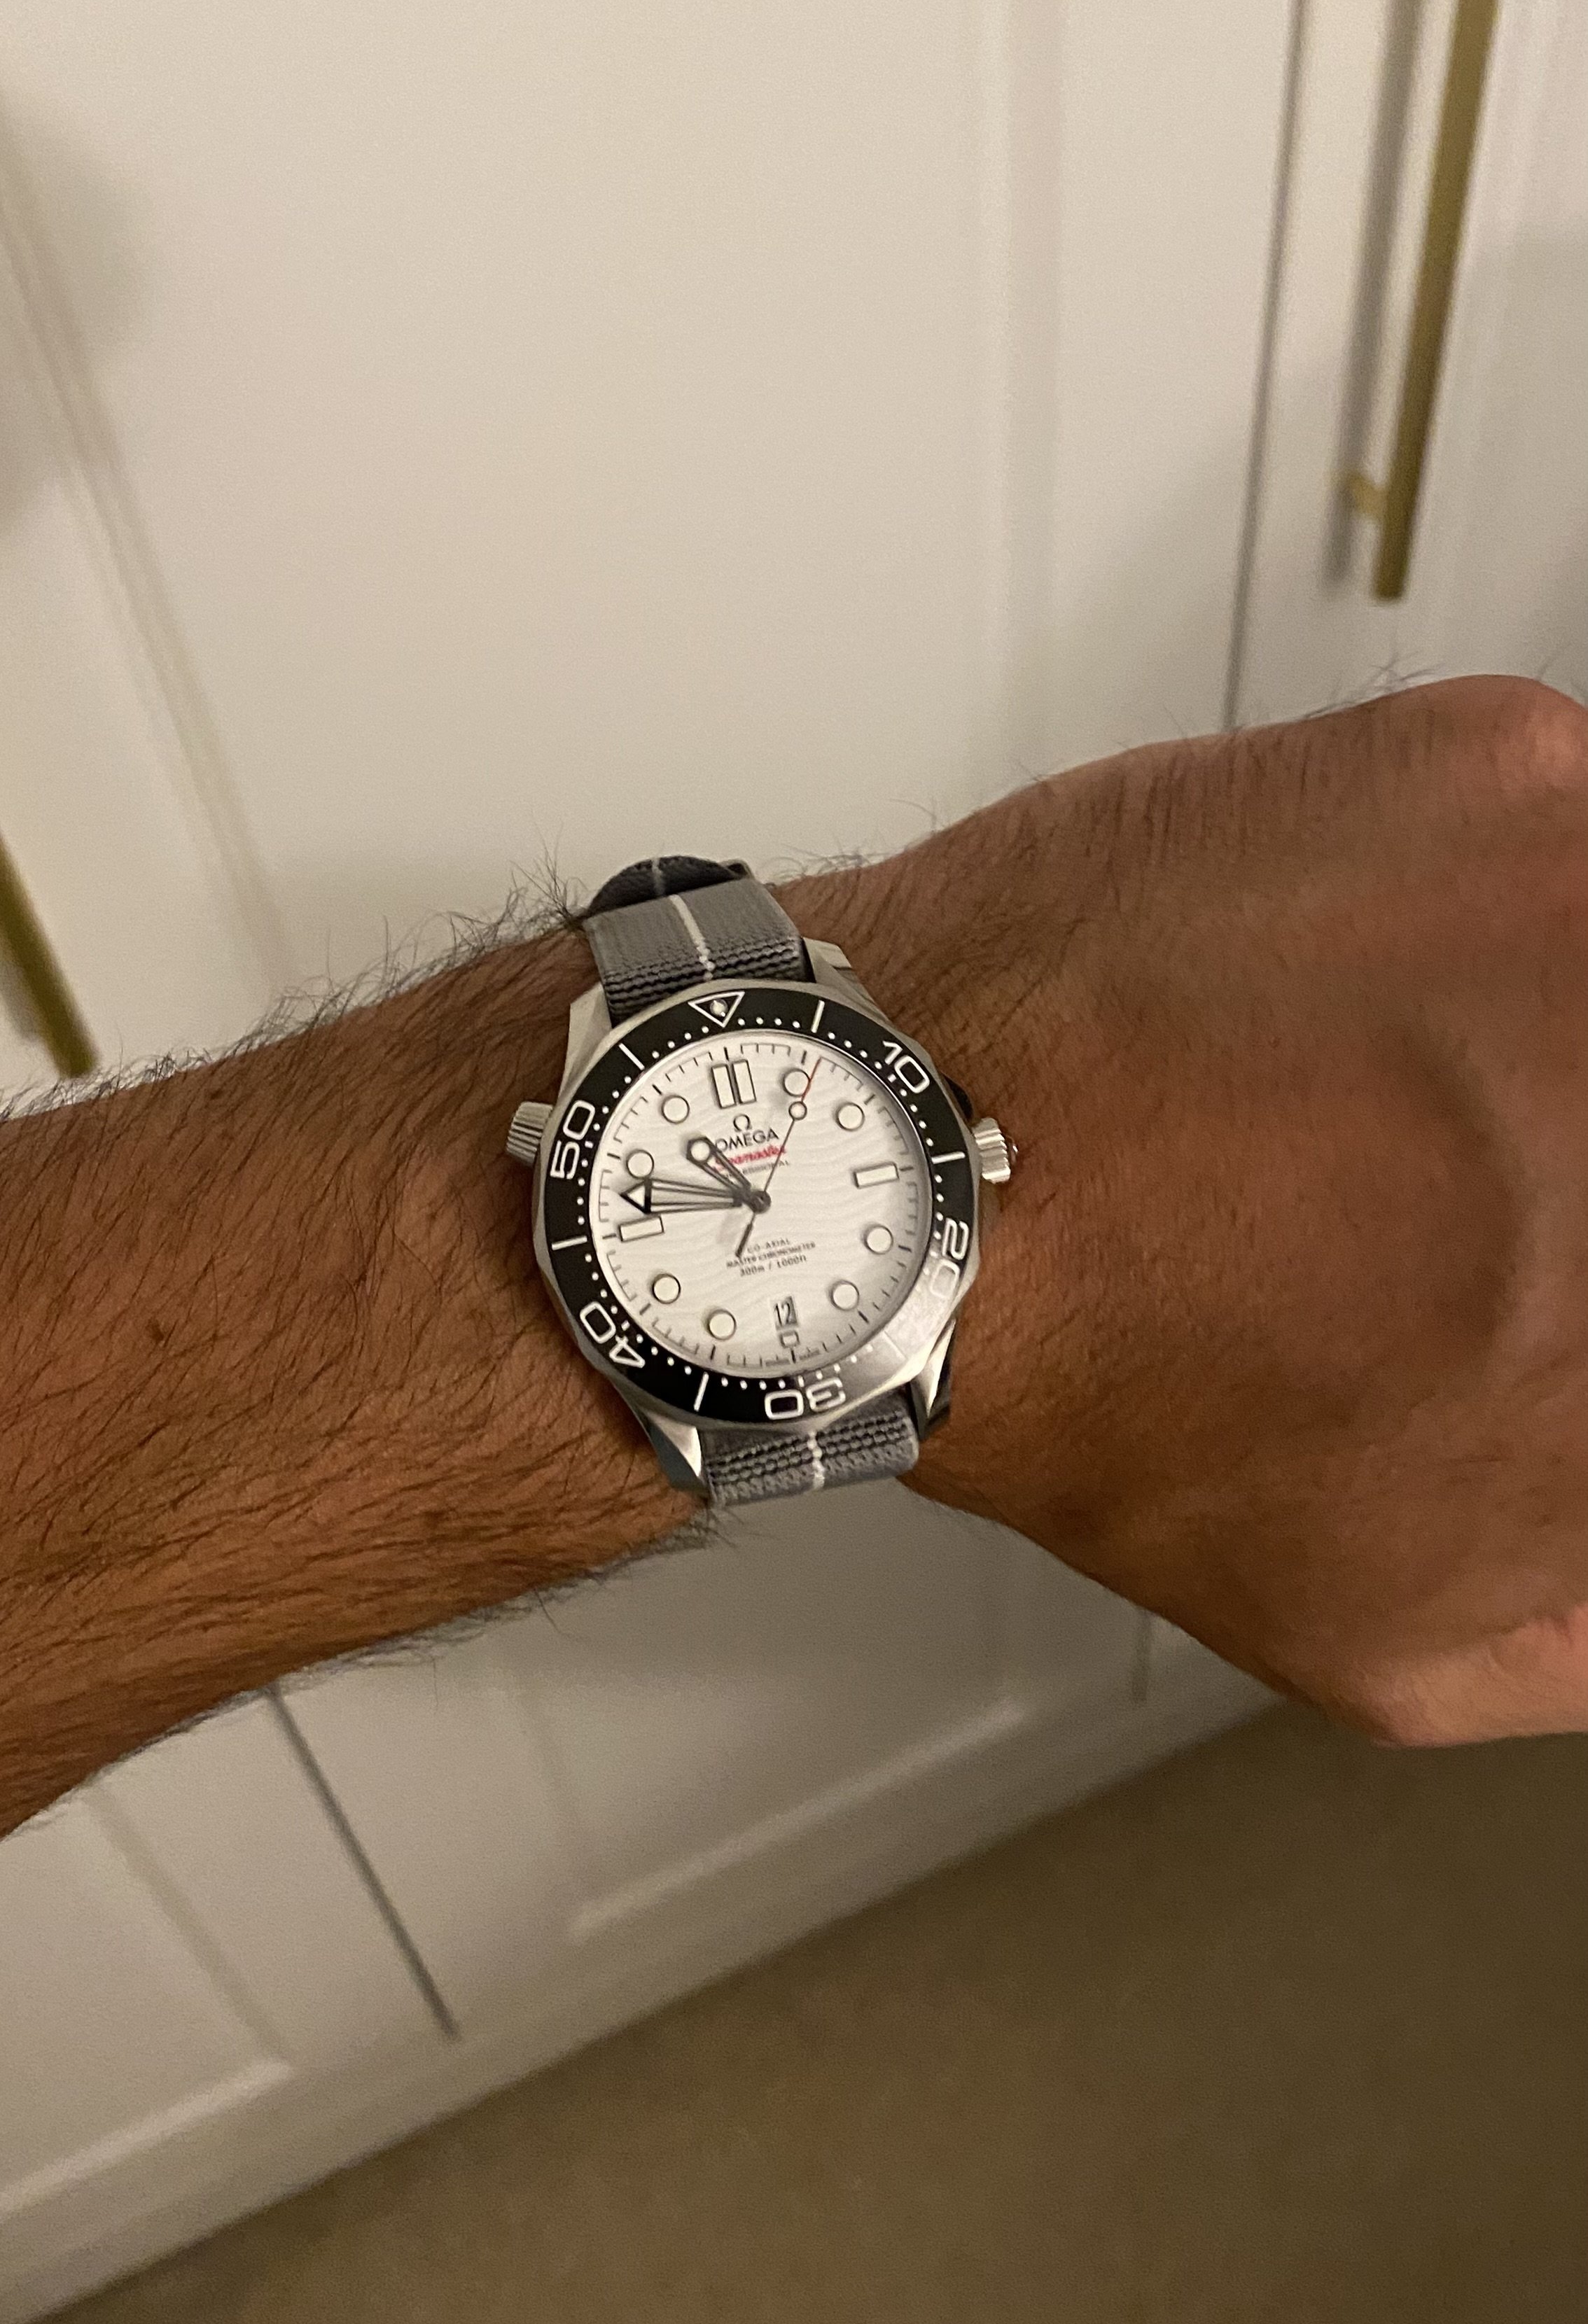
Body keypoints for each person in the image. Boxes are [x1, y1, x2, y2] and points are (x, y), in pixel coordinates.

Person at [4, 673, 1588, 1843]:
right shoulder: (579, 1173)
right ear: (553, 1153)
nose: (759, 1211)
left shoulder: (916, 1175)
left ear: (970, 1155)